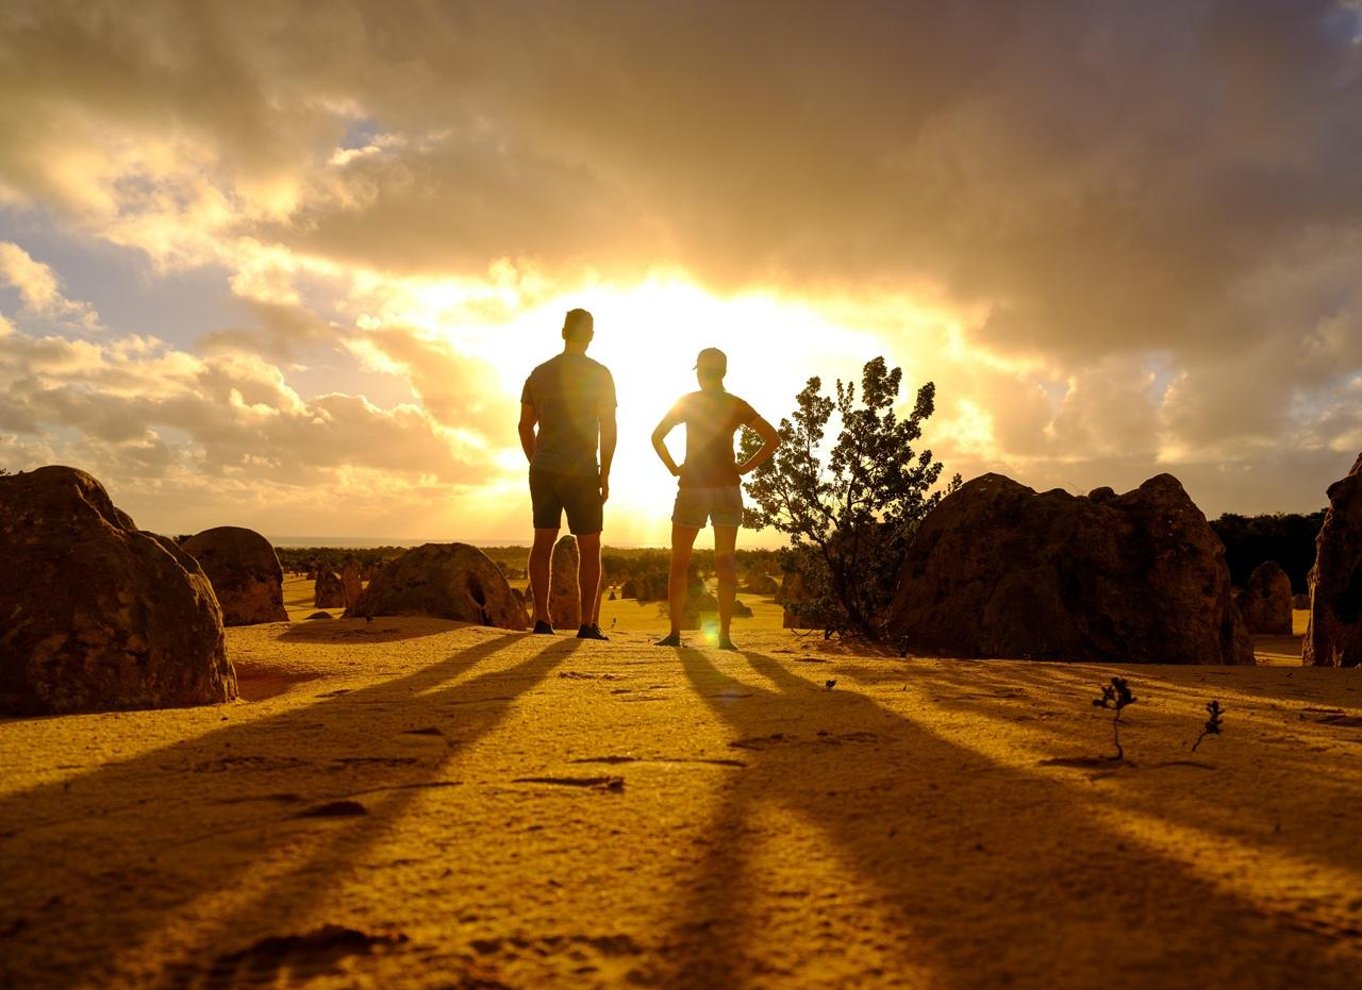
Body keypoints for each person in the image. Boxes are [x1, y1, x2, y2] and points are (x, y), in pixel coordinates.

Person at [650, 347, 780, 650]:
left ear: (699, 373)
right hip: (727, 489)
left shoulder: (688, 402)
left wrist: (673, 468)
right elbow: (773, 438)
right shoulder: (735, 404)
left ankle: (674, 634)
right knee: (726, 564)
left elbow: (656, 436)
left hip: (693, 486)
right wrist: (743, 468)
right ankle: (724, 637)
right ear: (723, 373)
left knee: (679, 563)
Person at [519, 308, 617, 639]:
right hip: (582, 471)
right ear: (590, 335)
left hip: (544, 469)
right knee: (590, 546)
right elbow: (609, 428)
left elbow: (524, 426)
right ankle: (587, 623)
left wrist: (536, 460)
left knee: (542, 541)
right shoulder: (600, 374)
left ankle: (542, 619)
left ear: (563, 332)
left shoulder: (539, 373)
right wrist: (605, 473)